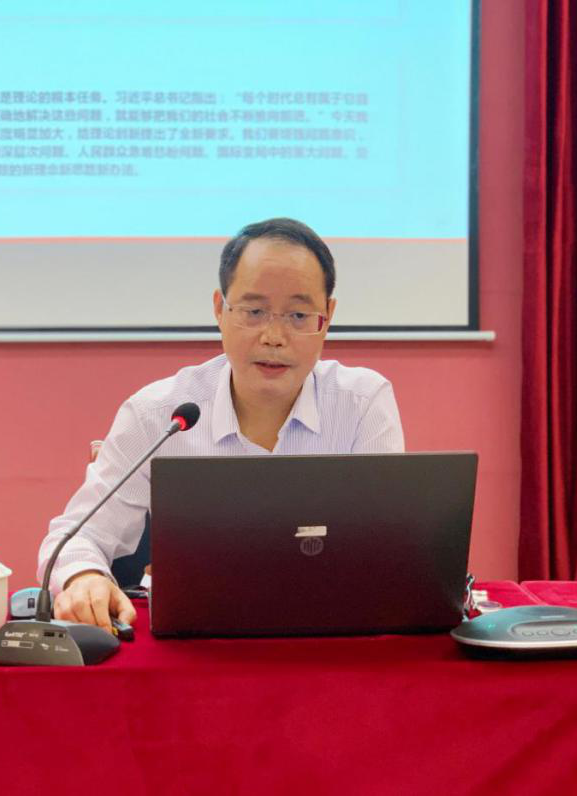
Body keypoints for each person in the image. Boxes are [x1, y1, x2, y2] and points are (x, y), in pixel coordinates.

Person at [37, 218, 405, 631]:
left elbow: (391, 549)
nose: (274, 336)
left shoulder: (362, 405)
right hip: (194, 641)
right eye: (254, 311)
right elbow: (74, 537)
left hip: (330, 636)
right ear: (219, 309)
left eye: (299, 315)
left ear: (328, 317)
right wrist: (84, 577)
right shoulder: (158, 415)